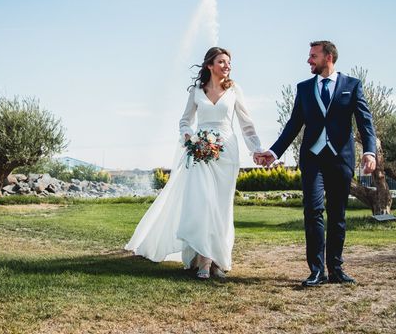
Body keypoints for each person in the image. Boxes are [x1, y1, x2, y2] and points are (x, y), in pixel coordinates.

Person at [125, 47, 263, 279]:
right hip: (199, 152)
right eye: (222, 62)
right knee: (202, 203)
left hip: (226, 153)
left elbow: (246, 125)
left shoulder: (234, 90)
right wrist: (189, 136)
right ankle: (204, 261)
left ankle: (217, 259)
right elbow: (185, 121)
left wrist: (257, 149)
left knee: (220, 207)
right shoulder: (197, 91)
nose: (227, 66)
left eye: (229, 62)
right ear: (210, 65)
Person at [255, 40, 376, 287]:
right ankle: (316, 270)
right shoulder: (304, 88)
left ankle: (336, 268)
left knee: (338, 215)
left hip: (341, 159)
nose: (309, 60)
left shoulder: (351, 86)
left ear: (328, 57)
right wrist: (274, 152)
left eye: (313, 56)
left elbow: (365, 122)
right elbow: (293, 125)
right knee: (312, 211)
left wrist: (370, 152)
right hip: (312, 160)